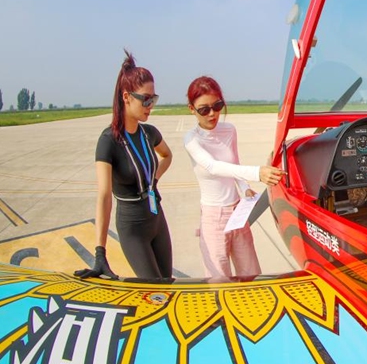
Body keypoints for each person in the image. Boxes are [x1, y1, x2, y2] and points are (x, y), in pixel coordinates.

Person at [75, 50, 174, 280]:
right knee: (154, 289)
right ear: (127, 97)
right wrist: (100, 253)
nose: (150, 105)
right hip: (132, 227)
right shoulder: (108, 141)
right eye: (146, 99)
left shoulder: (149, 133)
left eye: (153, 99)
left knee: (167, 285)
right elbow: (104, 196)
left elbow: (167, 155)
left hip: (156, 217)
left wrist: (153, 180)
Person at [183, 76, 283, 278]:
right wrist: (257, 173)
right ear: (192, 109)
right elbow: (214, 167)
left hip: (238, 212)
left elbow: (234, 164)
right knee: (219, 278)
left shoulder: (229, 130)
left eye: (217, 106)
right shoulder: (192, 140)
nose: (212, 114)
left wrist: (244, 188)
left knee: (251, 273)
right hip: (214, 218)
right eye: (204, 109)